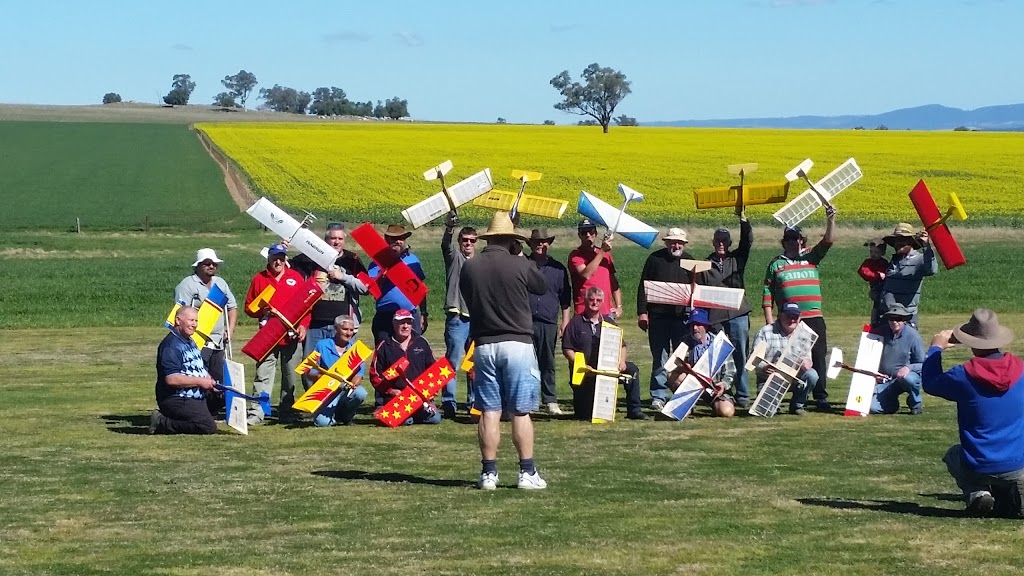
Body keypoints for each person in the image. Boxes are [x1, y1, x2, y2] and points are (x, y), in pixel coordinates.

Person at [460, 211, 549, 490]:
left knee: (489, 410)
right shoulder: (519, 265)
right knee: (520, 411)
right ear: (512, 240)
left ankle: (489, 473)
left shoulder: (470, 267)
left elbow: (468, 295)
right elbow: (540, 286)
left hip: (484, 345)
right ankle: (527, 471)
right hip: (517, 343)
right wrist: (520, 255)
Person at [922, 309, 1024, 518]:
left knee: (953, 455)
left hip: (978, 463)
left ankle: (977, 493)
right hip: (1018, 463)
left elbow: (930, 383)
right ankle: (1008, 490)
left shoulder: (962, 376)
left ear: (971, 342)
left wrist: (936, 348)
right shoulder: (1021, 370)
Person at [762, 206, 836, 412]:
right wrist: (770, 321)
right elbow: (767, 292)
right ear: (784, 242)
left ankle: (820, 397)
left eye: (796, 239)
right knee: (789, 358)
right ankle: (788, 396)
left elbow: (828, 241)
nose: (793, 242)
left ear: (802, 241)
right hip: (789, 320)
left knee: (819, 356)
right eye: (789, 239)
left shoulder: (811, 257)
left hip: (813, 316)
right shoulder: (776, 263)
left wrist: (831, 218)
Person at [243, 243, 310, 425]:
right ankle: (257, 412)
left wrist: (303, 326)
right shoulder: (259, 279)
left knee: (290, 376)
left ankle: (287, 411)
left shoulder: (296, 278)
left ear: (285, 259)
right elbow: (249, 307)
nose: (278, 261)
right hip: (268, 335)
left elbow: (306, 306)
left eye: (281, 258)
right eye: (274, 258)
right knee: (263, 374)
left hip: (291, 334)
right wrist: (261, 310)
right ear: (269, 259)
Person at [562, 287, 646, 421]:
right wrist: (581, 365)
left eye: (598, 300)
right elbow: (567, 349)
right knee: (584, 415)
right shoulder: (575, 323)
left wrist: (622, 361)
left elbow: (622, 346)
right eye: (592, 300)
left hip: (608, 367)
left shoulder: (609, 322)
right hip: (585, 371)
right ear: (585, 301)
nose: (595, 302)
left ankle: (635, 410)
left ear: (602, 303)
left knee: (632, 370)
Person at [637, 227, 696, 411]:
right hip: (658, 318)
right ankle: (658, 395)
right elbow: (643, 287)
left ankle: (681, 393)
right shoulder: (655, 259)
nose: (676, 245)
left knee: (681, 359)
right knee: (660, 358)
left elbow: (697, 288)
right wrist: (642, 312)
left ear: (684, 244)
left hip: (681, 319)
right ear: (667, 243)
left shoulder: (690, 261)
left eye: (679, 242)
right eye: (672, 242)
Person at [289, 222, 368, 356]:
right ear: (326, 240)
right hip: (314, 325)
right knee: (311, 369)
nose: (336, 242)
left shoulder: (352, 260)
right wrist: (283, 247)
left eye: (340, 239)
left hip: (344, 326)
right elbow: (286, 269)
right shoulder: (311, 258)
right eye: (333, 238)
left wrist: (343, 277)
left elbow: (366, 288)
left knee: (343, 369)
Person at [702, 214, 754, 409]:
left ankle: (742, 394)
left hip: (738, 314)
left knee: (740, 353)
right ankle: (721, 390)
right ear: (713, 243)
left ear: (730, 243)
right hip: (716, 317)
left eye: (725, 241)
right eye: (718, 241)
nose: (721, 244)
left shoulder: (737, 259)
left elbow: (747, 241)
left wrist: (744, 221)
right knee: (720, 356)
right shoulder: (706, 264)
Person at [173, 248, 238, 399]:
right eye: (207, 263)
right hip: (198, 340)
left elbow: (232, 307)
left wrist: (231, 329)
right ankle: (195, 405)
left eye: (214, 263)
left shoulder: (220, 283)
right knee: (198, 373)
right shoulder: (187, 285)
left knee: (217, 376)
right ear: (198, 266)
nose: (211, 266)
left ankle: (213, 410)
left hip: (219, 340)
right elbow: (181, 312)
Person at [150, 306, 218, 435]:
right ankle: (161, 422)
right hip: (176, 397)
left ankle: (201, 414)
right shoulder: (171, 346)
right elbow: (172, 379)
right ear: (178, 320)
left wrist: (209, 380)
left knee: (222, 396)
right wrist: (200, 382)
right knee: (207, 427)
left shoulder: (189, 340)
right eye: (191, 320)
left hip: (195, 393)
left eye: (196, 321)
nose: (194, 325)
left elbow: (198, 366)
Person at [368, 309, 442, 425]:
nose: (405, 326)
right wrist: (390, 391)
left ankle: (416, 413)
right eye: (401, 323)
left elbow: (433, 368)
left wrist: (433, 390)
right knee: (406, 421)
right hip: (396, 398)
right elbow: (375, 375)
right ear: (394, 324)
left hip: (420, 397)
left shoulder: (421, 342)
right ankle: (406, 415)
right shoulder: (384, 346)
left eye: (408, 322)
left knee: (435, 419)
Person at [527, 228, 572, 415]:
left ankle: (550, 399)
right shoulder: (523, 264)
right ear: (530, 244)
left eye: (544, 241)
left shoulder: (558, 268)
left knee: (547, 361)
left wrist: (565, 322)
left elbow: (565, 299)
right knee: (527, 362)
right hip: (525, 321)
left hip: (548, 321)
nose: (541, 244)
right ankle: (529, 400)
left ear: (549, 244)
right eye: (537, 241)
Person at [750, 302, 819, 415]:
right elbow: (754, 359)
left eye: (795, 317)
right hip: (770, 378)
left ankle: (797, 405)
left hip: (795, 377)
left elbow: (808, 359)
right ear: (780, 316)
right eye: (788, 316)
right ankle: (773, 404)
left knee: (812, 375)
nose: (792, 320)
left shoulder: (805, 334)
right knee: (766, 411)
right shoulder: (765, 332)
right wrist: (764, 367)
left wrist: (807, 363)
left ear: (800, 318)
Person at [667, 308, 736, 418]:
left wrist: (723, 385)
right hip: (693, 385)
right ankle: (688, 404)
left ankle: (716, 405)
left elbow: (731, 371)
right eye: (692, 325)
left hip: (714, 388)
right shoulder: (685, 342)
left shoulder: (719, 344)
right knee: (672, 375)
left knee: (727, 412)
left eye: (698, 324)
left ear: (706, 326)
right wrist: (683, 368)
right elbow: (672, 366)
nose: (695, 328)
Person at [440, 218, 477, 419]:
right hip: (457, 317)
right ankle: (449, 402)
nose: (468, 244)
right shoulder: (454, 257)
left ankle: (473, 401)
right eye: (465, 240)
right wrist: (450, 228)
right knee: (452, 361)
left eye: (472, 240)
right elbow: (446, 245)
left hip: (476, 318)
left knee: (473, 362)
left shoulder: (481, 262)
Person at [367, 224, 428, 343]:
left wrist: (424, 313)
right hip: (386, 316)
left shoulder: (413, 260)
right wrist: (382, 274)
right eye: (394, 239)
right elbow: (372, 290)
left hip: (410, 315)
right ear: (387, 240)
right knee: (385, 354)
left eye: (401, 238)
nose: (398, 242)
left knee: (412, 353)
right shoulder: (376, 263)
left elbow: (421, 289)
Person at [303, 315, 368, 426]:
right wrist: (321, 377)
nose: (348, 333)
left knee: (360, 392)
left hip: (345, 389)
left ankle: (345, 416)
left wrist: (352, 384)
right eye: (345, 329)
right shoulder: (321, 345)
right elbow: (309, 372)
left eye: (351, 330)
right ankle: (331, 416)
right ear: (336, 329)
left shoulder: (356, 349)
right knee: (322, 423)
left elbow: (359, 374)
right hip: (326, 391)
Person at [870, 304, 926, 415]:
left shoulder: (913, 336)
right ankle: (891, 404)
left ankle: (915, 403)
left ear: (904, 320)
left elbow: (924, 364)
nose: (894, 322)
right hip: (886, 380)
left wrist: (908, 368)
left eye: (898, 319)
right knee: (873, 408)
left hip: (905, 378)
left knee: (909, 379)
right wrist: (875, 374)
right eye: (891, 318)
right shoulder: (880, 333)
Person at [879, 223, 937, 328]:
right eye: (896, 240)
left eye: (902, 239)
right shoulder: (895, 260)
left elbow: (932, 269)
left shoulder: (919, 259)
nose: (898, 243)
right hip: (886, 314)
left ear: (910, 241)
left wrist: (926, 246)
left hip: (905, 317)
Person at [569, 218, 622, 318]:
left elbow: (613, 283)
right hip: (584, 311)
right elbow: (586, 274)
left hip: (606, 311)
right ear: (579, 235)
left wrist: (619, 306)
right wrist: (602, 251)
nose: (588, 235)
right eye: (584, 232)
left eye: (591, 231)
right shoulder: (575, 255)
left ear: (596, 233)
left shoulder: (606, 255)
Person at [858, 239, 888, 326]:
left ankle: (884, 319)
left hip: (885, 287)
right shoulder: (868, 262)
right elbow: (863, 272)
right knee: (877, 304)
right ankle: (875, 321)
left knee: (884, 303)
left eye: (876, 252)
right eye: (871, 252)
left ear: (882, 253)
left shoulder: (884, 262)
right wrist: (877, 275)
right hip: (876, 287)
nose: (873, 255)